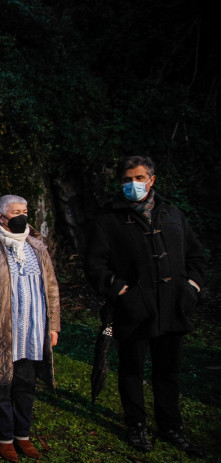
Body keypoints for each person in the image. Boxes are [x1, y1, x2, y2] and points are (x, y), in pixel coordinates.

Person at [84, 156, 205, 456]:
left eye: (138, 178)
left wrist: (192, 287)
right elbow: (95, 264)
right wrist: (122, 291)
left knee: (168, 372)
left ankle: (170, 426)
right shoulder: (108, 218)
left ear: (151, 180)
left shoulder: (172, 214)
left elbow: (196, 255)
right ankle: (136, 425)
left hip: (174, 306)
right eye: (126, 179)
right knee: (132, 370)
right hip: (134, 309)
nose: (132, 184)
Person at [0, 195, 60, 462]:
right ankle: (4, 438)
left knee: (25, 384)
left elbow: (51, 288)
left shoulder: (38, 247)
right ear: (0, 218)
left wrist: (54, 325)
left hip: (31, 331)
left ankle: (23, 435)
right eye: (16, 212)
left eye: (25, 211)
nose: (22, 216)